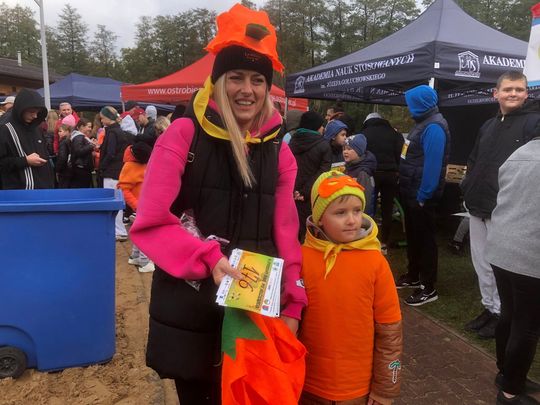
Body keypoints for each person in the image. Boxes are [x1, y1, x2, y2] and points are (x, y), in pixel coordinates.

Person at [129, 5, 307, 404]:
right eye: (236, 77)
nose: (248, 90)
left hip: (253, 311)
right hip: (190, 309)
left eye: (258, 80)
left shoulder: (279, 151)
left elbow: (285, 233)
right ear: (218, 80)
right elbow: (151, 221)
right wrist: (207, 257)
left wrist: (294, 299)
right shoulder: (182, 134)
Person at [299, 170, 402, 405]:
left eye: (357, 210)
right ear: (319, 218)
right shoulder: (302, 259)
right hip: (308, 383)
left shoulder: (375, 262)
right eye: (340, 212)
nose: (352, 220)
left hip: (357, 389)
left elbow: (390, 332)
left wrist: (386, 389)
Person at [461, 71, 540, 339]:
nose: (513, 94)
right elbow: (474, 159)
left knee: (501, 267)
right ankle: (490, 308)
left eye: (519, 89)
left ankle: (502, 314)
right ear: (496, 94)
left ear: (526, 93)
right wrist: (467, 185)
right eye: (508, 89)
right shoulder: (488, 125)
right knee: (482, 263)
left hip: (506, 211)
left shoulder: (533, 123)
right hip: (477, 204)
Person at [485, 136, 540, 405]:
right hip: (529, 253)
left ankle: (506, 374)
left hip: (501, 246)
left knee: (510, 314)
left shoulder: (520, 152)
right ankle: (510, 392)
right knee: (527, 326)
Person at [396, 84, 450, 306]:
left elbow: (433, 166)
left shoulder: (434, 127)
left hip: (421, 195)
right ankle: (414, 275)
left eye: (411, 103)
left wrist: (423, 195)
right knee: (414, 237)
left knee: (425, 240)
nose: (408, 107)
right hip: (412, 191)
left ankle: (428, 287)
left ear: (420, 104)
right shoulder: (422, 123)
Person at [362, 112, 404, 250]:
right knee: (387, 208)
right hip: (391, 175)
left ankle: (368, 238)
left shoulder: (364, 134)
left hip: (371, 174)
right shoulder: (395, 134)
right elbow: (401, 154)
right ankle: (384, 241)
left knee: (369, 206)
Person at [289, 110, 332, 241]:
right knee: (308, 232)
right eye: (321, 125)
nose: (323, 128)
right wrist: (305, 192)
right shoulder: (324, 145)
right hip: (311, 196)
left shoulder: (292, 141)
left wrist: (294, 190)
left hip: (291, 193)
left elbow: (288, 167)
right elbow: (323, 173)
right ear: (316, 126)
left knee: (291, 228)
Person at [0, 88, 54, 190]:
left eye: (37, 112)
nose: (35, 116)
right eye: (31, 112)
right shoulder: (5, 129)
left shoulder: (36, 128)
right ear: (21, 108)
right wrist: (25, 161)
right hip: (19, 192)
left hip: (43, 190)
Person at [118, 141, 155, 273]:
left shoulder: (139, 163)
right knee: (147, 233)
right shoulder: (130, 166)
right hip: (141, 205)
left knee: (140, 231)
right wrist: (137, 205)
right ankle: (145, 262)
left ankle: (135, 256)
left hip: (144, 204)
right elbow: (124, 189)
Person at [99, 106, 129, 241]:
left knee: (113, 202)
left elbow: (110, 153)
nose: (101, 120)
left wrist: (102, 166)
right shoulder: (119, 131)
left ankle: (119, 230)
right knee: (117, 201)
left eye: (102, 118)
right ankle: (119, 229)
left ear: (108, 118)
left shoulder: (112, 132)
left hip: (111, 172)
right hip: (118, 171)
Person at [343, 133, 377, 220]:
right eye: (344, 148)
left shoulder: (362, 173)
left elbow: (366, 198)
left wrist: (362, 217)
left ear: (359, 151)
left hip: (360, 216)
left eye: (349, 149)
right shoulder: (350, 167)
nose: (345, 151)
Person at [70, 118, 97, 188]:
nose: (90, 129)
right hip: (81, 168)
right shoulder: (79, 137)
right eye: (89, 127)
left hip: (82, 167)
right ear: (82, 127)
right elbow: (79, 151)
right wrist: (91, 146)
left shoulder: (81, 137)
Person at [56, 115, 76, 188]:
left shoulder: (63, 142)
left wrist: (57, 169)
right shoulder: (70, 141)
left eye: (60, 131)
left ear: (67, 132)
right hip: (70, 169)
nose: (59, 133)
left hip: (64, 170)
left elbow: (62, 157)